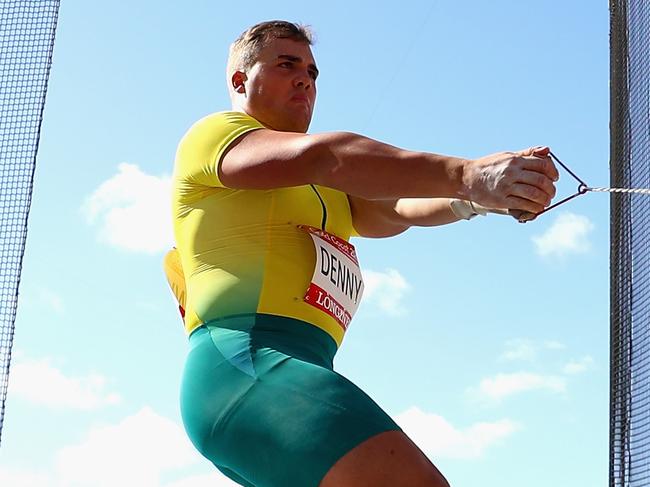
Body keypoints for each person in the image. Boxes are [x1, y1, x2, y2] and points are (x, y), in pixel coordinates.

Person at [165, 20, 558, 487]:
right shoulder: (216, 135)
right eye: (287, 65)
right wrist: (470, 173)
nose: (304, 80)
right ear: (240, 81)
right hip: (246, 364)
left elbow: (396, 209)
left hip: (288, 371)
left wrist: (476, 197)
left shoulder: (325, 187)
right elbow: (328, 155)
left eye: (312, 73)